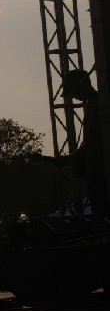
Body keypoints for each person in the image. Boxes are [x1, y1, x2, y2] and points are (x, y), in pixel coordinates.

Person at [60, 69, 109, 217]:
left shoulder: (95, 104)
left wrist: (71, 158)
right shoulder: (93, 103)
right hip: (98, 171)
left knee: (102, 218)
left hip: (100, 173)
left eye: (73, 92)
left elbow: (93, 140)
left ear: (81, 85)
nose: (73, 97)